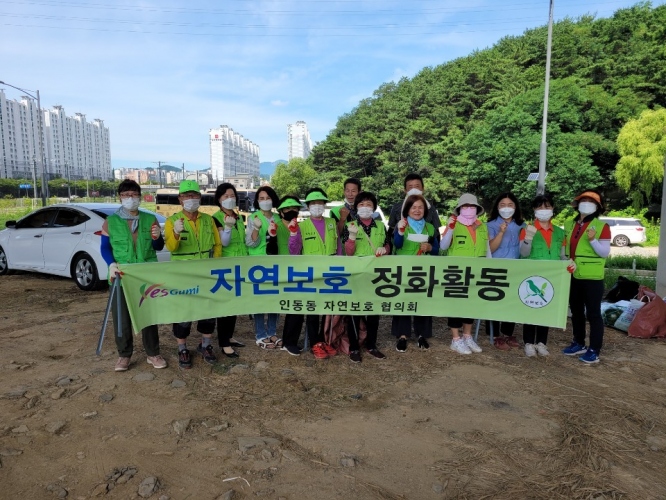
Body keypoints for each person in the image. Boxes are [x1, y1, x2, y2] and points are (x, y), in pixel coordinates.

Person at [101, 179, 166, 372]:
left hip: (146, 276)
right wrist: (111, 264)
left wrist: (157, 237)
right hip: (121, 275)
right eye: (126, 195)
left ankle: (153, 353)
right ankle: (124, 355)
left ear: (140, 197)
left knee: (148, 315)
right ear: (120, 198)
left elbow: (158, 247)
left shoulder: (150, 219)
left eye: (134, 194)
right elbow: (105, 247)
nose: (130, 198)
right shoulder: (111, 222)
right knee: (121, 317)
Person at [165, 180, 222, 369]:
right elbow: (171, 247)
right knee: (184, 312)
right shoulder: (172, 221)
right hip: (183, 275)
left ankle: (205, 345)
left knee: (208, 310)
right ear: (180, 199)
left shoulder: (208, 220)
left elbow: (217, 244)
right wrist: (175, 233)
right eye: (187, 195)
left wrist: (215, 265)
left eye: (195, 195)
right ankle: (182, 348)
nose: (191, 199)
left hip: (206, 272)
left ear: (200, 197)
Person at [281, 188, 338, 359]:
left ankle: (322, 340)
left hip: (329, 272)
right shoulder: (302, 226)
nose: (317, 206)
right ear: (308, 206)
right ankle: (315, 343)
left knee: (324, 308)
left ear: (324, 205)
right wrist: (293, 233)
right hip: (309, 274)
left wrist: (340, 266)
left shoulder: (331, 223)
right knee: (311, 309)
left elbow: (338, 248)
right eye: (313, 203)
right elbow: (294, 251)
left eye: (320, 203)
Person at [519, 193, 572, 358]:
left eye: (547, 206)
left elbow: (562, 255)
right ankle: (528, 343)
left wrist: (569, 262)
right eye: (540, 207)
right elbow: (523, 253)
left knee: (546, 307)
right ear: (534, 210)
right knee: (531, 307)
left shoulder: (560, 233)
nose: (544, 210)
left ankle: (541, 342)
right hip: (532, 276)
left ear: (553, 209)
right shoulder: (527, 229)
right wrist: (528, 237)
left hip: (551, 277)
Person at [562, 189, 611, 364]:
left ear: (598, 206)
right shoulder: (569, 223)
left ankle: (594, 349)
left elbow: (604, 252)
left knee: (593, 314)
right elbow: (565, 248)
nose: (586, 204)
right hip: (572, 273)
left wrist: (592, 240)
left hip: (592, 277)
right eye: (584, 201)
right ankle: (579, 342)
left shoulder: (602, 227)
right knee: (576, 311)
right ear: (577, 204)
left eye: (591, 202)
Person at [341, 191, 389, 362]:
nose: (365, 207)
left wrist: (385, 249)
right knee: (354, 311)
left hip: (376, 274)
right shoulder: (351, 225)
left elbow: (387, 244)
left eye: (369, 204)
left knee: (374, 310)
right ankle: (354, 347)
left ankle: (371, 345)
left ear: (374, 208)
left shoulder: (380, 226)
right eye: (361, 204)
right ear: (356, 207)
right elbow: (348, 252)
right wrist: (352, 237)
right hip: (356, 274)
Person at [439, 193, 488, 355]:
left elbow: (487, 249)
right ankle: (456, 339)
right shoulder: (453, 224)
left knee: (471, 304)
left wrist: (489, 267)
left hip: (476, 272)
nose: (469, 209)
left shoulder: (482, 226)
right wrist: (450, 229)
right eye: (465, 206)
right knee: (456, 305)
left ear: (477, 209)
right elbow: (443, 246)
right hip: (456, 272)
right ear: (459, 209)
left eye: (472, 206)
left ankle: (467, 335)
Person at [392, 193, 440, 353]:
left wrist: (430, 248)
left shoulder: (430, 228)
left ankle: (421, 335)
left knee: (422, 301)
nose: (417, 210)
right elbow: (397, 245)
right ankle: (402, 335)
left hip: (423, 271)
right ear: (407, 209)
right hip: (404, 270)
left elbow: (437, 250)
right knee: (403, 301)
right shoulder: (401, 225)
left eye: (420, 207)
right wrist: (400, 231)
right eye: (413, 207)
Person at [212, 182, 248, 356]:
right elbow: (224, 242)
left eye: (232, 195)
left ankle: (230, 336)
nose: (230, 198)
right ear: (219, 199)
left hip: (240, 264)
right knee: (225, 305)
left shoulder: (238, 217)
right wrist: (227, 227)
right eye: (226, 196)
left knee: (235, 304)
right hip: (225, 266)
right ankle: (224, 342)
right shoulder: (216, 218)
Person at [486, 192, 526, 350]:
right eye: (502, 205)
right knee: (494, 299)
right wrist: (501, 232)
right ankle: (495, 334)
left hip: (515, 268)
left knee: (511, 301)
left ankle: (508, 333)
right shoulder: (490, 225)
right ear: (497, 207)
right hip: (496, 268)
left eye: (510, 205)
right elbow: (491, 248)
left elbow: (525, 248)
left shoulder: (522, 226)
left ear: (515, 207)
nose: (506, 208)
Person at [246, 186, 282, 349]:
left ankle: (272, 332)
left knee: (274, 298)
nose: (265, 201)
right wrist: (256, 228)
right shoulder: (253, 217)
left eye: (268, 198)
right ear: (257, 201)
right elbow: (251, 243)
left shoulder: (279, 218)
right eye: (261, 198)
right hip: (258, 263)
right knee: (259, 300)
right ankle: (260, 334)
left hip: (276, 263)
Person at [388, 173, 441, 247]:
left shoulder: (430, 207)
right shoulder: (397, 207)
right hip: (403, 250)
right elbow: (391, 230)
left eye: (417, 186)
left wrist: (433, 249)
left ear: (423, 189)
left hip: (424, 250)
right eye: (410, 187)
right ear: (405, 190)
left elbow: (436, 233)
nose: (414, 190)